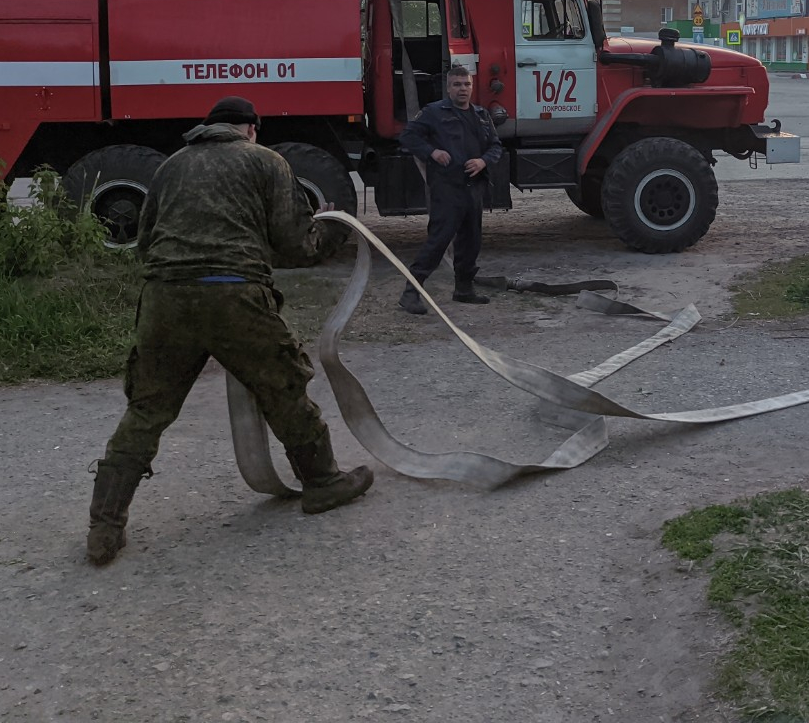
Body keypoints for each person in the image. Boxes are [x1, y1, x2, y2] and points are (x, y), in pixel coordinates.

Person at [86, 95, 372, 566]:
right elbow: (296, 245)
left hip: (165, 298)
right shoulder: (267, 162)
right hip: (234, 295)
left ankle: (104, 526)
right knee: (283, 387)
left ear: (208, 128)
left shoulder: (170, 166)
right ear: (251, 130)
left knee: (148, 409)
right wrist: (333, 229)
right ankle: (322, 482)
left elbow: (146, 240)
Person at [396, 64, 504, 315]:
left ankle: (464, 289)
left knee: (471, 241)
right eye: (457, 84)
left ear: (472, 86)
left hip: (473, 188)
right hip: (447, 188)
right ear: (448, 87)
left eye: (466, 84)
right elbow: (408, 137)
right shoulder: (434, 113)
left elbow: (495, 146)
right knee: (439, 240)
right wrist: (432, 152)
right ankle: (411, 292)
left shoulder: (480, 114)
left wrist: (483, 161)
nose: (462, 89)